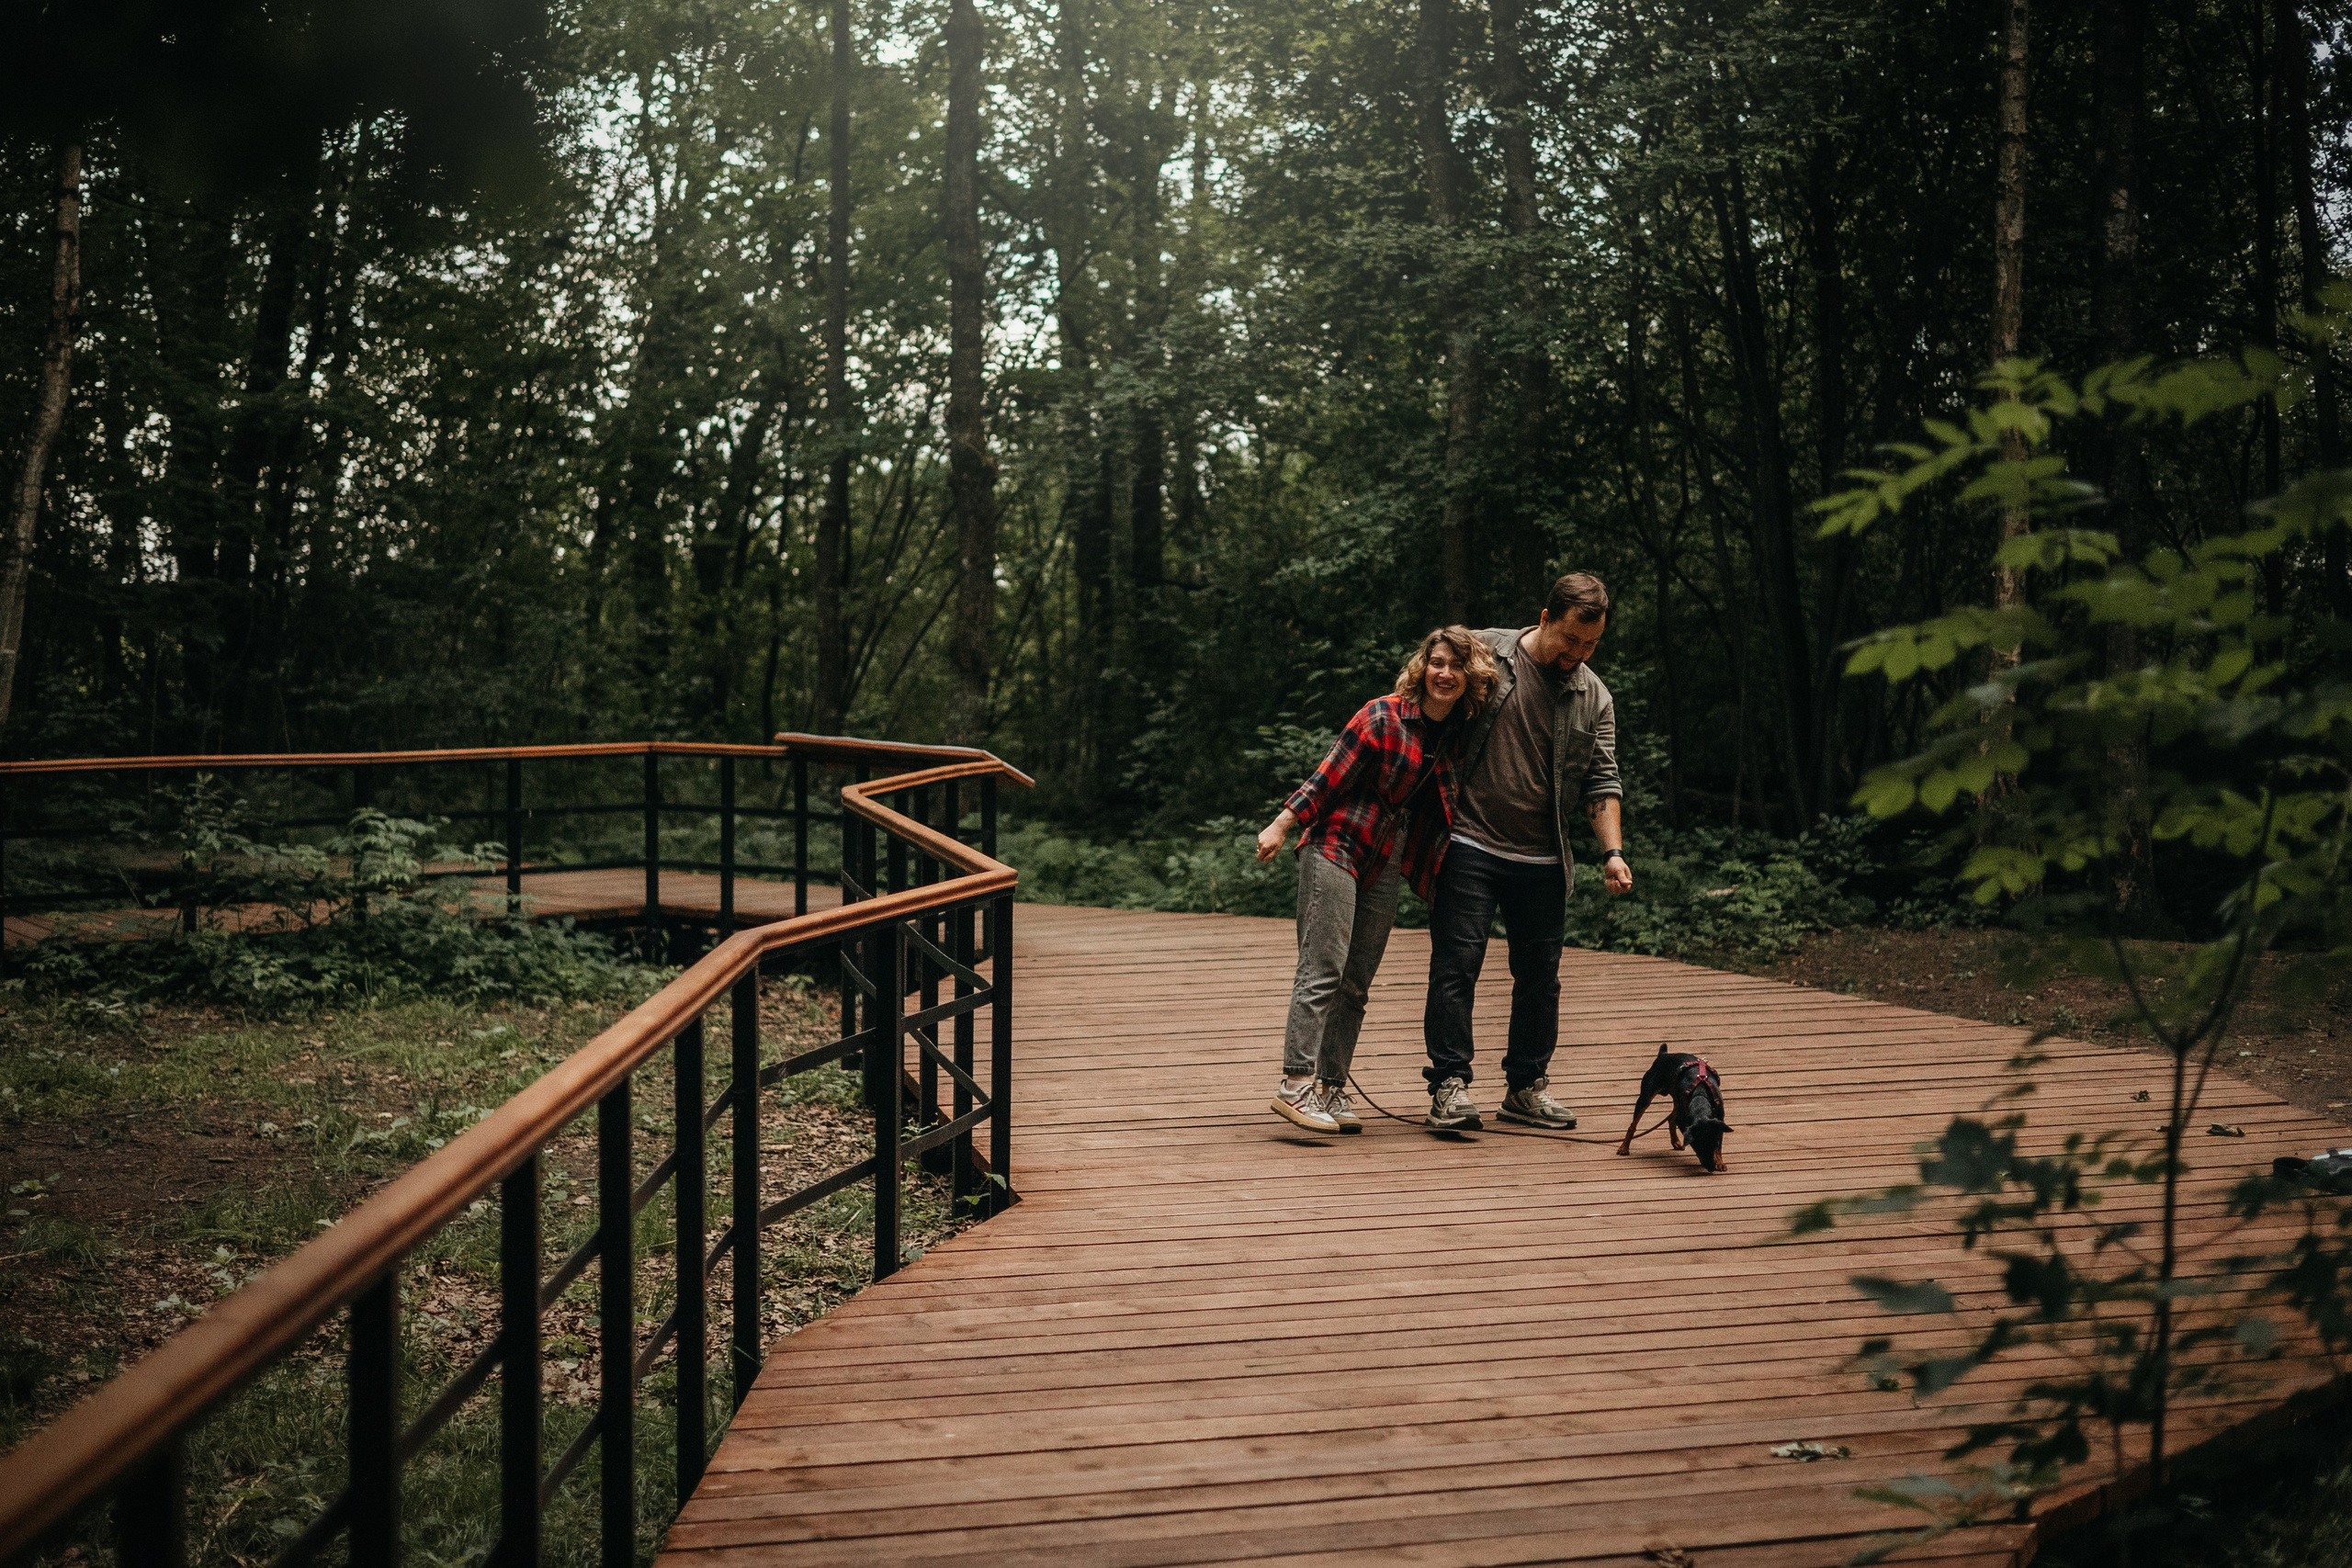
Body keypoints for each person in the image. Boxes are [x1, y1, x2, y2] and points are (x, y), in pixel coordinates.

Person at [1256, 626, 1499, 1134]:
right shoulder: (1382, 715)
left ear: (1469, 677)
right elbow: (1326, 778)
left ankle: (1331, 1088)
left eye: (1456, 667)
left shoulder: (1456, 735)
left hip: (1386, 858)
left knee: (1357, 983)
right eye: (1436, 663)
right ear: (1422, 666)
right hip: (1336, 846)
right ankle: (1296, 1086)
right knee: (1323, 968)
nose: (1445, 674)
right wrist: (1282, 824)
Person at [1422, 572, 1634, 1133]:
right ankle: (1449, 1086)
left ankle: (1525, 1088)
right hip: (1469, 839)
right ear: (1544, 619)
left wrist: (1612, 852)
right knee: (1457, 965)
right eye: (1571, 640)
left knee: (1540, 976)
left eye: (1591, 645)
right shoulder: (1482, 652)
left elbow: (1601, 780)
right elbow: (1421, 695)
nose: (1580, 654)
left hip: (1543, 856)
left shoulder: (1595, 697)